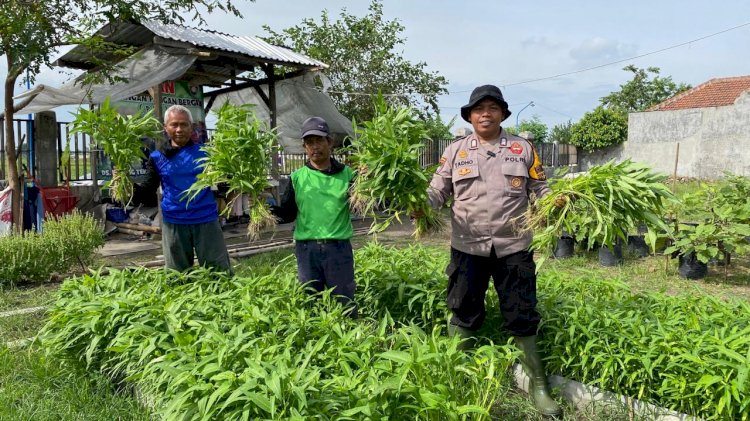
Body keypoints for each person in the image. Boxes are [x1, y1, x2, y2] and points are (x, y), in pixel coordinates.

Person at [426, 85, 563, 417]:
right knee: (463, 310)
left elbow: (539, 187)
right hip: (467, 246)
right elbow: (437, 189)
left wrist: (553, 202)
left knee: (522, 313)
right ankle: (455, 381)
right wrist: (421, 205)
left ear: (502, 113)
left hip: (513, 246)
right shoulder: (456, 150)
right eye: (478, 109)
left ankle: (540, 388)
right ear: (470, 116)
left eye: (492, 107)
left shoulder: (522, 148)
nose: (485, 113)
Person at [271, 117, 357, 317]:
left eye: (319, 140)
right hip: (306, 250)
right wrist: (264, 210)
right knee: (311, 303)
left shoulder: (348, 175)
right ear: (304, 146)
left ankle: (351, 342)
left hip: (338, 248)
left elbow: (362, 208)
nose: (314, 147)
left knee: (344, 301)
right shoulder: (297, 177)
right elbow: (288, 214)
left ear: (330, 142)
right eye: (309, 142)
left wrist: (368, 184)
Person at [134, 104, 232, 273]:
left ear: (191, 127)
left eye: (184, 124)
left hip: (206, 219)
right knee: (177, 275)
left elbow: (223, 184)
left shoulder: (207, 153)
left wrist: (232, 175)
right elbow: (148, 190)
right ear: (166, 128)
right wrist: (126, 188)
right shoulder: (158, 157)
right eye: (174, 124)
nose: (179, 129)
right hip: (174, 221)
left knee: (219, 272)